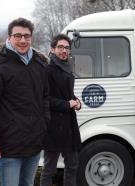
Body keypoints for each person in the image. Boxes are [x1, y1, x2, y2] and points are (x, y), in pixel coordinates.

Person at [0, 18, 50, 186]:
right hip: (8, 146)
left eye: (27, 36)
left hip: (34, 144)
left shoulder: (40, 65)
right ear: (9, 37)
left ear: (31, 37)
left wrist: (44, 124)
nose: (23, 40)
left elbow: (45, 98)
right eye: (18, 36)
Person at [40, 34, 81, 186]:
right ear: (52, 49)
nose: (64, 50)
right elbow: (44, 99)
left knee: (72, 166)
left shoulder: (67, 67)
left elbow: (67, 94)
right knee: (49, 169)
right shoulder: (47, 70)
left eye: (67, 48)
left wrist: (77, 102)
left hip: (69, 125)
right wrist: (67, 104)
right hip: (53, 126)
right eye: (60, 47)